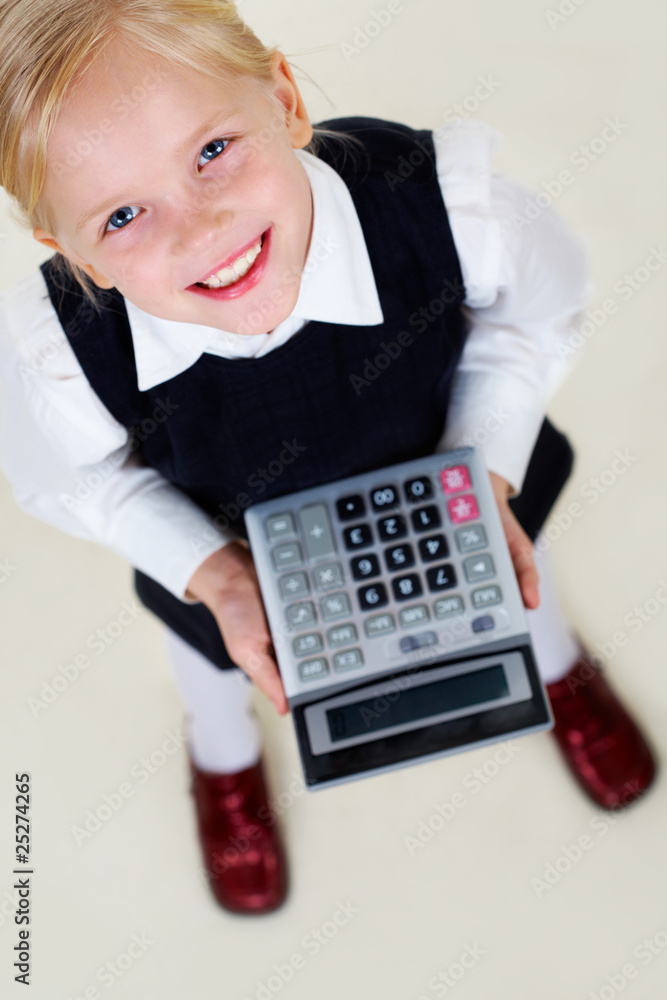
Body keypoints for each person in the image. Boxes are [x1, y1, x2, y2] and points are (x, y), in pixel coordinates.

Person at [0, 0, 656, 916]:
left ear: (283, 97)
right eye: (120, 216)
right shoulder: (59, 357)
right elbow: (65, 480)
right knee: (216, 670)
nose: (200, 230)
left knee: (513, 583)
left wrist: (485, 468)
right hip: (234, 555)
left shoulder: (444, 208)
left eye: (212, 151)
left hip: (464, 488)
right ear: (73, 256)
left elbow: (539, 313)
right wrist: (213, 573)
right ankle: (223, 757)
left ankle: (553, 669)